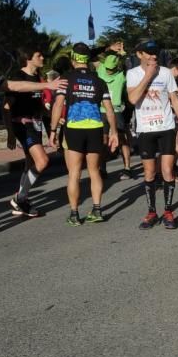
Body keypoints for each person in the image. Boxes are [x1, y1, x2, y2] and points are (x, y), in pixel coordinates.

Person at [50, 43, 119, 225]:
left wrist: (52, 130)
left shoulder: (66, 79)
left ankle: (74, 214)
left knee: (74, 173)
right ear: (88, 61)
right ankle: (97, 210)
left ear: (73, 60)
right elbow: (109, 110)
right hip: (95, 128)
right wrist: (113, 132)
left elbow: (58, 105)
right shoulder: (99, 81)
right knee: (94, 171)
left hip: (73, 129)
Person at [127, 40, 178, 230]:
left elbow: (175, 100)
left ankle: (168, 211)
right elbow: (133, 99)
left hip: (166, 127)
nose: (153, 56)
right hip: (146, 129)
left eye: (156, 52)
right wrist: (149, 76)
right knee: (149, 172)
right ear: (140, 55)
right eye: (149, 53)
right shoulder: (133, 74)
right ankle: (152, 212)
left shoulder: (166, 73)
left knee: (168, 171)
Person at [4, 47, 66, 218]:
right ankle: (20, 198)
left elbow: (39, 107)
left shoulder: (38, 77)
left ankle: (21, 202)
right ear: (28, 58)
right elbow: (6, 106)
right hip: (22, 125)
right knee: (43, 160)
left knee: (30, 164)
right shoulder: (18, 76)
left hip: (36, 124)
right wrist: (10, 133)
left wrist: (52, 128)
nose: (42, 57)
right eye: (38, 55)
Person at [96, 43, 134, 179]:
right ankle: (102, 169)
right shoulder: (100, 69)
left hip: (117, 111)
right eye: (108, 68)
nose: (109, 71)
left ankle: (127, 168)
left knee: (122, 139)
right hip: (102, 110)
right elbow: (97, 55)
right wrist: (110, 49)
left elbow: (131, 63)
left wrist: (123, 53)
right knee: (103, 140)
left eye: (112, 68)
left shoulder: (122, 75)